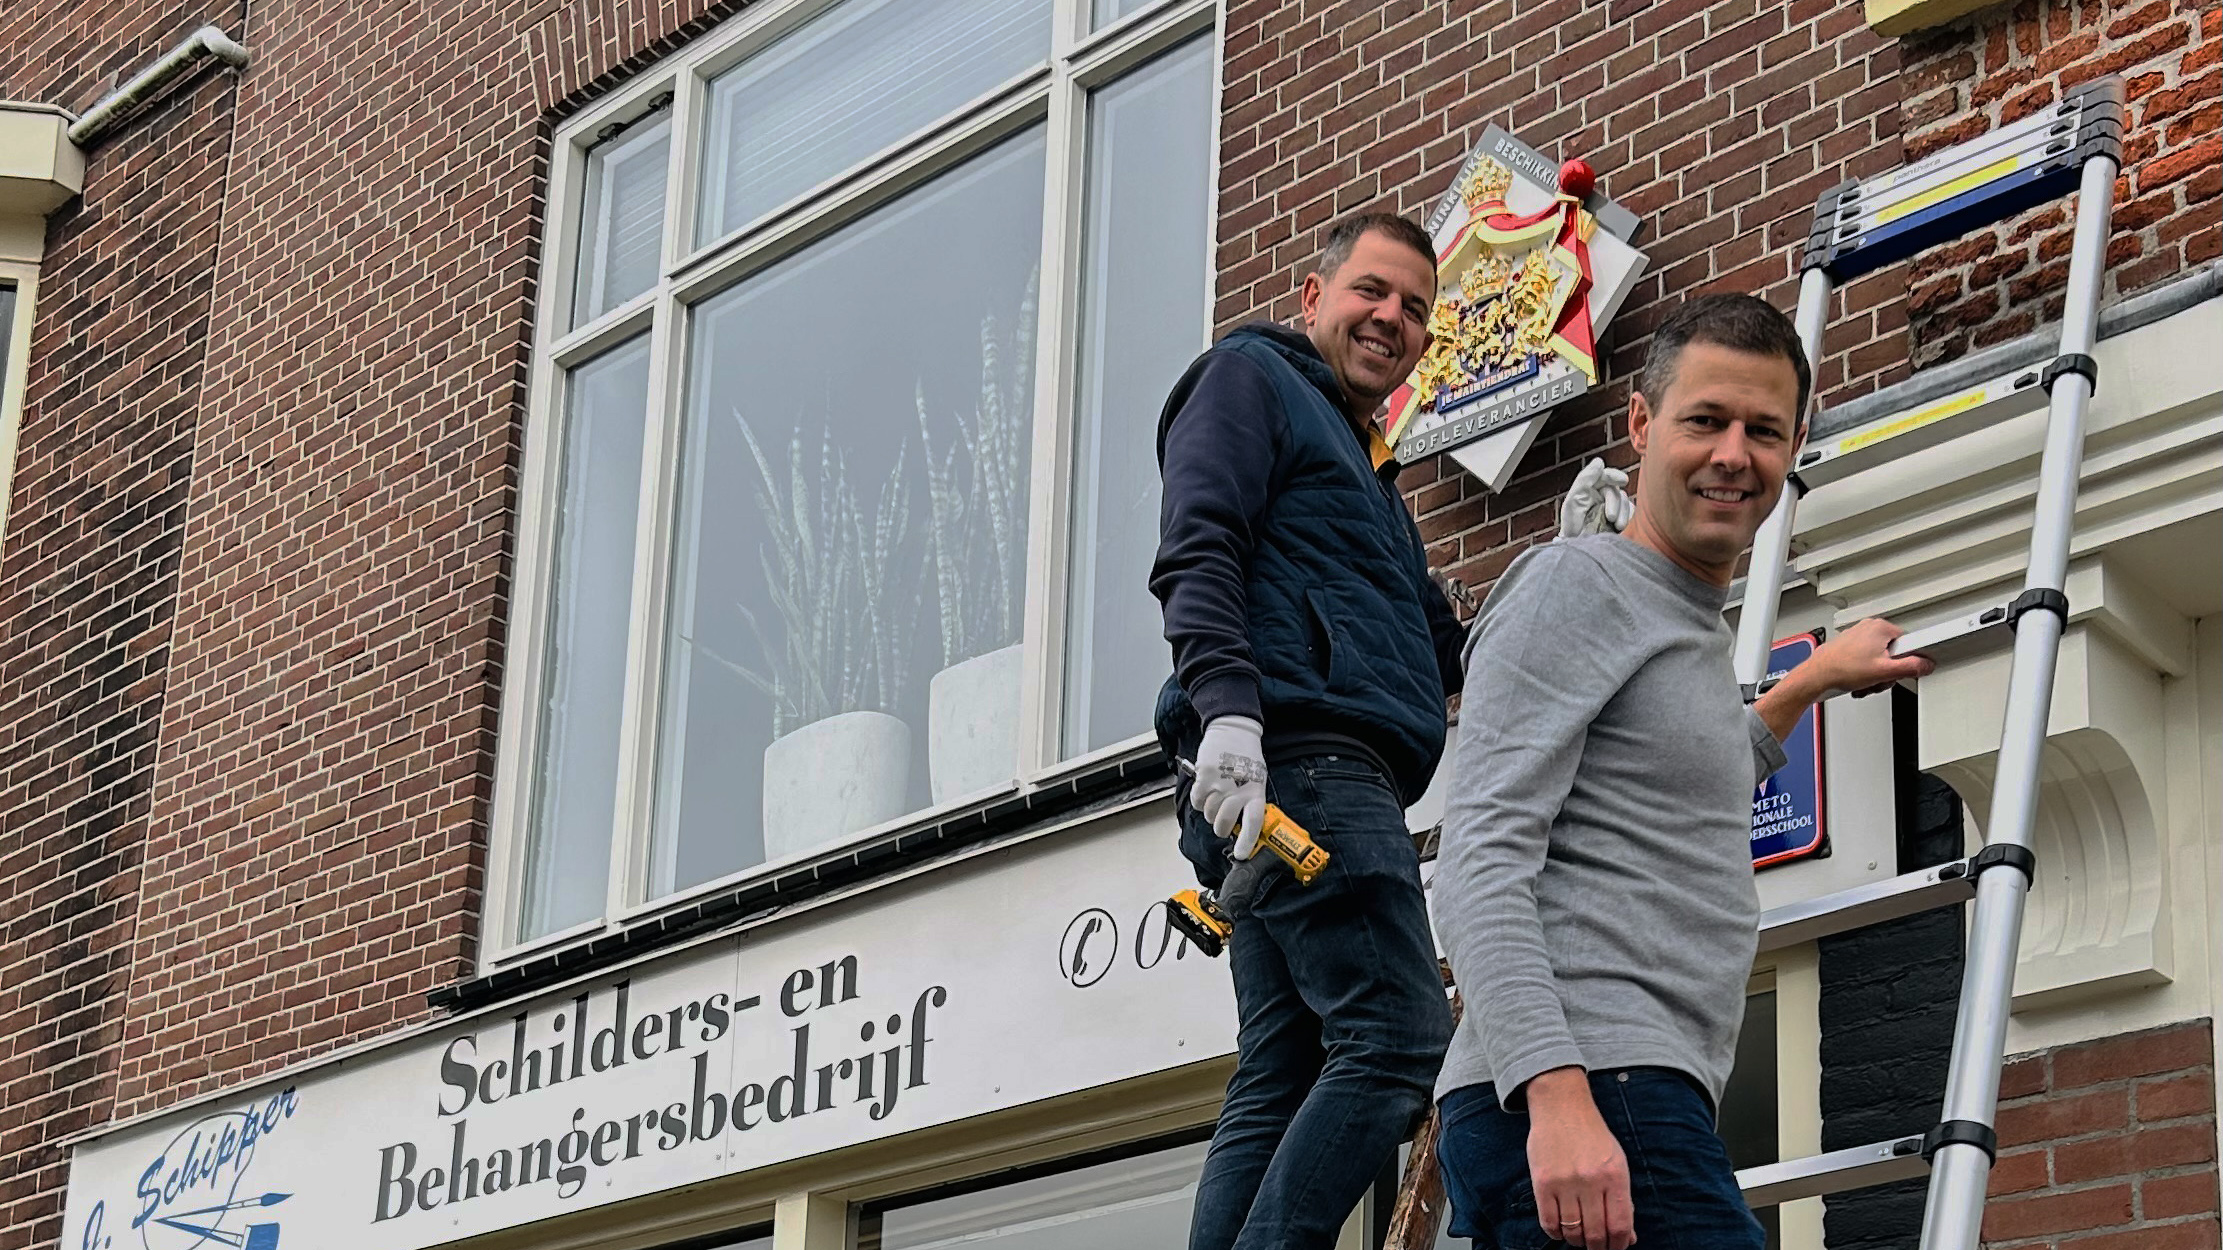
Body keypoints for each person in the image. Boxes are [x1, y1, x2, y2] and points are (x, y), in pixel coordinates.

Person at [1430, 293, 1937, 1250]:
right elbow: (1476, 863)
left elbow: (1677, 790)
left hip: (1626, 1087)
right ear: (1638, 423)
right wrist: (1557, 1096)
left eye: (1764, 431)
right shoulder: (1576, 585)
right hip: (1593, 1082)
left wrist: (1810, 682)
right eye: (1704, 420)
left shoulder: (1685, 632)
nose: (1733, 455)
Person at [1151, 211, 1467, 1250]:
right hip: (1305, 761)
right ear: (1312, 298)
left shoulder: (1372, 476)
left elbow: (1442, 640)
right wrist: (1230, 708)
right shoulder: (1249, 379)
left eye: (1416, 308)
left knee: (1283, 1066)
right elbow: (1199, 543)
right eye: (1373, 291)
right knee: (1397, 1034)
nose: (1393, 318)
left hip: (1295, 770)